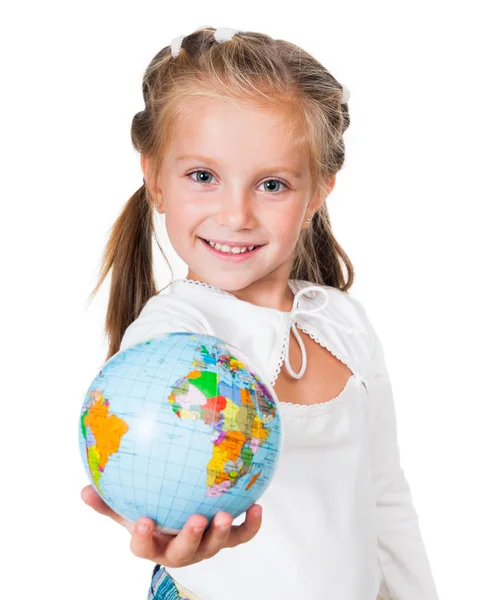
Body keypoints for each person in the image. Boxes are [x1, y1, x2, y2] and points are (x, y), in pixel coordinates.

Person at [81, 25, 439, 600]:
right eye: (203, 176)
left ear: (319, 190)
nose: (237, 214)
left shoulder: (343, 323)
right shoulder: (173, 337)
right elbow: (150, 455)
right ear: (154, 178)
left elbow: (385, 495)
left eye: (271, 184)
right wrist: (167, 531)